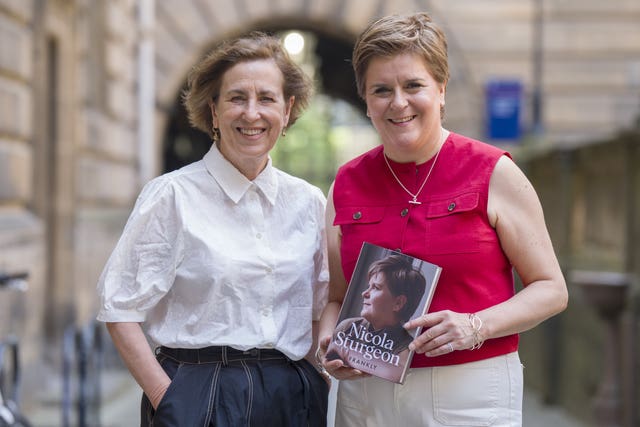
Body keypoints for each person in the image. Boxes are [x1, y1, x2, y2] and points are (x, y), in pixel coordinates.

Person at [317, 12, 568, 427]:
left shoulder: (493, 172)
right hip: (364, 398)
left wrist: (475, 325)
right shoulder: (345, 184)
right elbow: (335, 299)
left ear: (441, 89)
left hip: (469, 392)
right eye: (381, 90)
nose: (398, 102)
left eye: (413, 85)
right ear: (365, 99)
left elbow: (552, 289)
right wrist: (330, 342)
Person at [96, 32, 329, 427]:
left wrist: (314, 380)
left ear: (287, 111)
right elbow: (119, 307)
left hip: (293, 395)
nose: (251, 113)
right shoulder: (172, 195)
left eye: (267, 99)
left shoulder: (308, 202)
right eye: (237, 97)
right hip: (198, 394)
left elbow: (319, 307)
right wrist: (168, 399)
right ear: (214, 110)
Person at [325, 253, 426, 383]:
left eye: (376, 288)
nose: (364, 293)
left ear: (398, 303)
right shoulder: (347, 326)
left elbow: (396, 372)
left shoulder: (405, 346)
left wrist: (341, 350)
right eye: (369, 286)